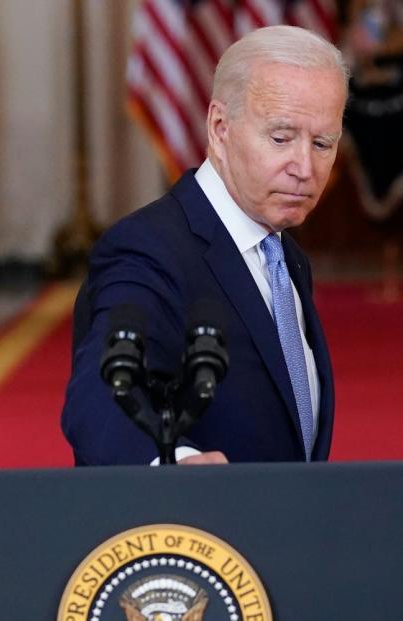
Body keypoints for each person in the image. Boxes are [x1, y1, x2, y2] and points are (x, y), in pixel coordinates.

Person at [61, 26, 348, 466]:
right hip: (189, 528)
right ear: (219, 128)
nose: (305, 167)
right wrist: (171, 469)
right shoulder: (148, 249)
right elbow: (102, 398)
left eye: (323, 143)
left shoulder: (285, 257)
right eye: (281, 138)